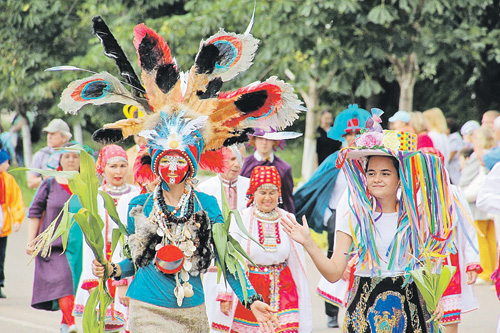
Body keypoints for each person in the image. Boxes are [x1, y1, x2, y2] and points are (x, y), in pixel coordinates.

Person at [54, 17, 304, 333]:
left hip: (194, 312)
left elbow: (227, 261)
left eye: (180, 161)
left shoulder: (208, 206)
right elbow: (136, 258)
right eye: (166, 161)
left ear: (193, 163)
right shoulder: (140, 206)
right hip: (147, 309)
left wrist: (251, 299)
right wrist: (113, 269)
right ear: (155, 162)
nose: (173, 168)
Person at [283, 121, 456, 332]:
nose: (377, 179)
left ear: (400, 179)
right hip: (366, 310)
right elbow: (334, 272)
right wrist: (309, 243)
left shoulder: (415, 218)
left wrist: (434, 296)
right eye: (371, 173)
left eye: (385, 173)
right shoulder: (354, 216)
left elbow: (427, 267)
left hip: (412, 309)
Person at [294, 104, 371, 328]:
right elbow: (313, 185)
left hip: (365, 218)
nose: (354, 137)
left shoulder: (372, 160)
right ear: (342, 135)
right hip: (336, 217)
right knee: (333, 261)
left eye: (358, 133)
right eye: (349, 133)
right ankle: (331, 312)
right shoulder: (335, 160)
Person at [211, 166, 311, 332]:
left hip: (284, 288)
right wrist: (226, 293)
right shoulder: (240, 219)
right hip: (251, 288)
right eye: (262, 192)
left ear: (279, 194)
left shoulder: (288, 219)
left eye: (272, 192)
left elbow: (298, 263)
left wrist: (302, 294)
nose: (267, 197)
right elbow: (229, 260)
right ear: (253, 193)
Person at [73, 144, 139, 331]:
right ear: (102, 168)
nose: (118, 172)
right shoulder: (95, 198)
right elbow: (90, 243)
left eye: (122, 166)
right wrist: (92, 280)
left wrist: (124, 283)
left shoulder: (137, 196)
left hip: (129, 267)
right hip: (101, 267)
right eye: (113, 166)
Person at [26, 147, 83, 333]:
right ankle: (72, 323)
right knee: (64, 280)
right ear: (60, 160)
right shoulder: (49, 184)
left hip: (79, 246)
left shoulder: (86, 186)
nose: (71, 160)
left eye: (76, 156)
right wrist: (31, 240)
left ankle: (65, 325)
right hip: (54, 246)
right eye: (67, 156)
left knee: (72, 284)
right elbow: (34, 211)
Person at [462, 126, 497, 283]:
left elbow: (467, 178)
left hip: (477, 203)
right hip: (489, 205)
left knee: (480, 238)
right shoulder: (493, 152)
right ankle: (492, 270)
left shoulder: (479, 155)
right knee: (490, 238)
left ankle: (485, 271)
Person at [241, 131, 296, 213]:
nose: (264, 142)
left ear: (274, 140)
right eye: (260, 138)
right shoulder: (244, 165)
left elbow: (287, 200)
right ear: (254, 139)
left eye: (268, 138)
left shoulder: (284, 168)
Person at [0, 149, 24, 299]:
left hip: (3, 223)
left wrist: (17, 218)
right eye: (5, 162)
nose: (8, 165)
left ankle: (0, 284)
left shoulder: (8, 180)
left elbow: (16, 200)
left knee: (1, 256)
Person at [28, 119, 72, 189]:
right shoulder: (41, 154)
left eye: (53, 134)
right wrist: (44, 178)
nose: (49, 137)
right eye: (48, 133)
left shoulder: (74, 155)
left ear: (64, 137)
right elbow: (31, 183)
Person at [447, 118, 464, 185]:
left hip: (455, 167)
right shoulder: (451, 137)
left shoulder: (454, 138)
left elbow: (451, 155)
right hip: (452, 168)